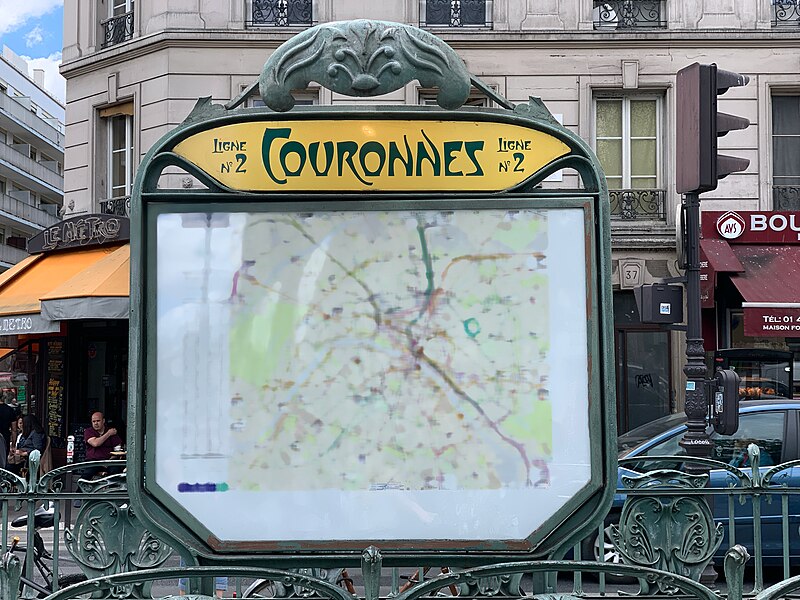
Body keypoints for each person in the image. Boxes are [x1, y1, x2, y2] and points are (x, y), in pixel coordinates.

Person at [83, 411, 124, 478]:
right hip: (93, 461)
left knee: (116, 472)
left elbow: (118, 450)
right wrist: (108, 434)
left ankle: (113, 485)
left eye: (98, 421)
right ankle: (82, 485)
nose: (96, 423)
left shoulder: (111, 432)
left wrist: (109, 461)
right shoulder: (89, 431)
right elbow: (95, 443)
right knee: (87, 474)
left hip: (109, 461)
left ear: (103, 421)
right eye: (93, 421)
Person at [0, 392, 19, 463]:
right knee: (3, 460)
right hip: (5, 438)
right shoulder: (10, 410)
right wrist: (13, 445)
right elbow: (14, 430)